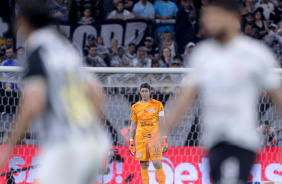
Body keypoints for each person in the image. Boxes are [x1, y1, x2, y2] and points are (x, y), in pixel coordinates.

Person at [162, 1, 282, 184]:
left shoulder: (255, 54)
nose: (209, 22)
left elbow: (277, 96)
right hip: (213, 140)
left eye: (215, 17)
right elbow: (185, 98)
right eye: (207, 18)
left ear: (232, 17)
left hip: (241, 139)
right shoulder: (204, 54)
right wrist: (163, 132)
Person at [0, 1, 109, 184]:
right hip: (92, 141)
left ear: (23, 21)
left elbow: (33, 103)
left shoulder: (37, 54)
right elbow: (98, 93)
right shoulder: (65, 50)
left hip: (64, 147)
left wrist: (8, 148)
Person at [129, 83, 168, 184]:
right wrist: (131, 142)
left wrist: (164, 140)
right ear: (140, 92)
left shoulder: (158, 104)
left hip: (154, 139)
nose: (144, 93)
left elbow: (163, 123)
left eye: (146, 91)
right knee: (144, 164)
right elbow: (133, 126)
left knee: (157, 163)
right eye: (143, 91)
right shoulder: (135, 107)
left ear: (150, 92)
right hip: (141, 139)